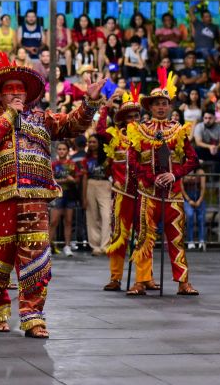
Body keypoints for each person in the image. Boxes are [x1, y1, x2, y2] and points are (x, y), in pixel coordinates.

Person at [0, 52, 102, 338]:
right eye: (10, 90)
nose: (16, 94)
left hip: (35, 197)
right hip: (0, 198)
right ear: (0, 96)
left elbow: (70, 125)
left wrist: (89, 103)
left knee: (35, 258)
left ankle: (33, 316)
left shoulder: (41, 118)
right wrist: (10, 116)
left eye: (20, 90)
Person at [127, 67, 199, 295]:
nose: (160, 106)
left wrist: (174, 174)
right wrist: (151, 178)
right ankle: (141, 280)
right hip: (148, 195)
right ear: (149, 106)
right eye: (156, 103)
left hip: (174, 195)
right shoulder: (138, 130)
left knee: (177, 239)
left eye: (164, 103)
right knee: (144, 238)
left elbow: (192, 159)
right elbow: (133, 162)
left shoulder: (179, 131)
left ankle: (183, 282)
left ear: (169, 106)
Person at [96, 86, 159, 295]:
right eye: (129, 116)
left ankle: (145, 277)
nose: (134, 119)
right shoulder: (115, 136)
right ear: (122, 119)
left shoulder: (145, 135)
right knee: (118, 237)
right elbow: (99, 131)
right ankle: (115, 277)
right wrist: (105, 107)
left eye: (136, 116)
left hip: (143, 193)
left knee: (144, 235)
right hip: (122, 194)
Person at [82, 134, 112, 257]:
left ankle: (105, 245)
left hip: (105, 184)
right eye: (90, 142)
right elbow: (84, 177)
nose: (91, 144)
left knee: (107, 215)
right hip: (91, 184)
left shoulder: (108, 157)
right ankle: (95, 246)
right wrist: (83, 196)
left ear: (99, 143)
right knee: (92, 216)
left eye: (94, 142)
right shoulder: (86, 159)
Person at [49, 142, 79, 258]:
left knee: (68, 221)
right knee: (54, 222)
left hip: (69, 195)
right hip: (57, 195)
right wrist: (64, 181)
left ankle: (67, 246)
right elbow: (50, 180)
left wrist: (72, 180)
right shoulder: (53, 164)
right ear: (57, 151)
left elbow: (77, 180)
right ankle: (48, 247)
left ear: (67, 151)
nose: (62, 151)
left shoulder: (72, 164)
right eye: (60, 149)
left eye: (64, 149)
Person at [182, 167, 207, 251]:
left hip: (199, 197)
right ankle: (190, 241)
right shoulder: (183, 169)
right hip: (187, 198)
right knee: (190, 215)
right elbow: (181, 188)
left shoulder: (200, 171)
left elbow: (203, 188)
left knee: (201, 217)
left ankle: (202, 241)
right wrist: (189, 200)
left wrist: (199, 200)